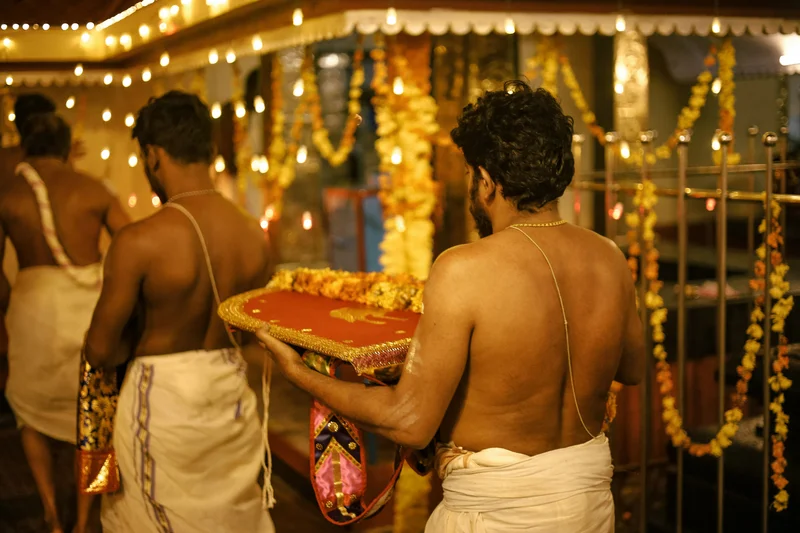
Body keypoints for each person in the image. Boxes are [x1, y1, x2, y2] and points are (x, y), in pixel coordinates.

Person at [258, 81, 645, 532]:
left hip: (496, 518)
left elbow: (409, 423)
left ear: (485, 180)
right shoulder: (609, 258)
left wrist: (299, 374)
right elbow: (632, 369)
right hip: (588, 510)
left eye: (468, 175)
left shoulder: (464, 268)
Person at [83, 91, 274, 532]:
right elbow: (252, 335)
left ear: (153, 156)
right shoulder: (253, 237)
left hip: (163, 401)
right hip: (230, 393)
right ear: (207, 149)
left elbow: (98, 349)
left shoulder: (140, 241)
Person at [0, 112, 129, 533]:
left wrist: (6, 308)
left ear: (26, 146)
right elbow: (129, 249)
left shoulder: (7, 192)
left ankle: (52, 513)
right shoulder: (93, 189)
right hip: (87, 314)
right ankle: (85, 519)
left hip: (31, 310)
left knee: (29, 414)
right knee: (93, 417)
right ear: (65, 147)